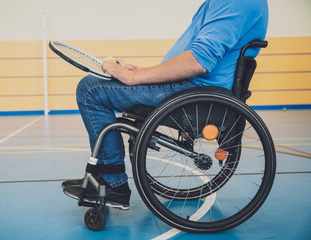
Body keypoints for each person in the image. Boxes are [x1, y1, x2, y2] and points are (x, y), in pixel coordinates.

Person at [62, 0, 268, 210]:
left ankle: (113, 184)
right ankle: (110, 180)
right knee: (100, 85)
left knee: (91, 90)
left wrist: (135, 78)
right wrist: (143, 72)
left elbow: (199, 60)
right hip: (191, 87)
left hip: (194, 90)